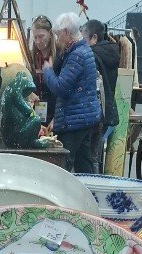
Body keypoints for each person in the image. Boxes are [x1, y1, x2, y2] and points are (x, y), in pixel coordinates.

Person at [42, 12, 100, 174]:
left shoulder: (76, 55)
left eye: (58, 34)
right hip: (84, 117)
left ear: (66, 32)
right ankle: (89, 196)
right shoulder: (82, 50)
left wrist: (47, 71)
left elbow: (61, 87)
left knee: (62, 166)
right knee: (84, 165)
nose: (57, 38)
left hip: (74, 120)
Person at [82, 19, 118, 166]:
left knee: (89, 157)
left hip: (92, 111)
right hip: (105, 109)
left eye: (84, 39)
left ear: (94, 38)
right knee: (94, 156)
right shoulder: (112, 53)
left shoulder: (92, 56)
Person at [29, 15, 56, 124]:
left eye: (41, 36)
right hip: (37, 113)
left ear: (50, 34)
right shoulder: (32, 57)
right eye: (35, 37)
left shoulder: (59, 56)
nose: (38, 41)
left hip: (55, 114)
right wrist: (29, 93)